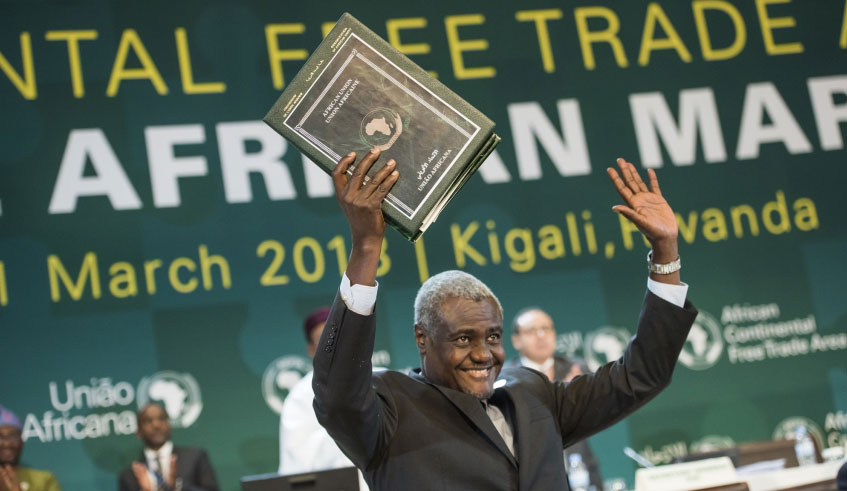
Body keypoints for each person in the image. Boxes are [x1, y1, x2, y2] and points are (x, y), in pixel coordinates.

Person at [312, 149, 697, 490]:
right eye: (463, 339)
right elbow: (338, 395)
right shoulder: (391, 407)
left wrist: (665, 252)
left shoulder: (532, 392)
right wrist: (365, 246)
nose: (484, 354)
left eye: (492, 336)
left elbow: (641, 374)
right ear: (422, 338)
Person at [505, 308, 603, 489]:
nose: (541, 335)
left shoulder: (576, 369)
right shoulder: (507, 379)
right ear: (516, 340)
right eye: (532, 331)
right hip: (533, 477)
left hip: (580, 470)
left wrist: (574, 394)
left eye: (546, 328)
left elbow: (595, 415)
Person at [278, 307, 356, 475]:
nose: (334, 346)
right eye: (324, 340)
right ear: (312, 351)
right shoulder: (300, 397)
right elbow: (295, 465)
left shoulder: (380, 378)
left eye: (338, 337)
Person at [118, 403, 219, 491]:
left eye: (161, 419)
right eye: (148, 421)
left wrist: (177, 487)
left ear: (169, 426)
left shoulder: (195, 457)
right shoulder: (129, 476)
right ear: (138, 432)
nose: (156, 425)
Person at [0, 405, 61, 491]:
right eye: (1, 437)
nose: (7, 443)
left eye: (13, 436)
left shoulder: (44, 479)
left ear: (22, 441)